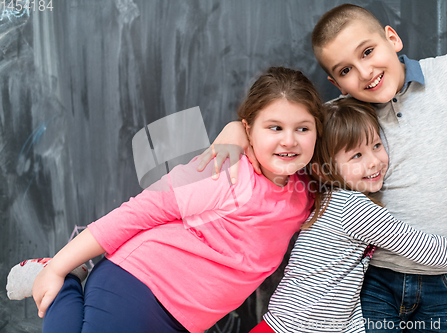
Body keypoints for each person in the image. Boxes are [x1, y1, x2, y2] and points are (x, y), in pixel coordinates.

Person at [196, 4, 447, 332]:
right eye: (346, 71)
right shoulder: (338, 119)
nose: (365, 73)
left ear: (392, 39)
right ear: (337, 83)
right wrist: (236, 129)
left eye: (368, 52)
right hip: (377, 279)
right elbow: (280, 128)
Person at [9, 66, 324, 333]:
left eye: (302, 128)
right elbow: (137, 212)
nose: (288, 140)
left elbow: (350, 128)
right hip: (139, 284)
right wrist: (59, 268)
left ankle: (65, 275)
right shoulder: (222, 172)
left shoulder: (305, 193)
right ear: (249, 128)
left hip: (186, 321)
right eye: (274, 127)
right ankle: (56, 273)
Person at [246, 98, 447, 333]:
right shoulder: (351, 207)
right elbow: (419, 246)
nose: (374, 161)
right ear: (323, 171)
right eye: (357, 155)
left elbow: (346, 290)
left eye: (376, 145)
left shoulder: (328, 200)